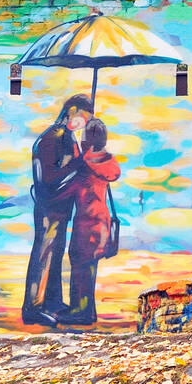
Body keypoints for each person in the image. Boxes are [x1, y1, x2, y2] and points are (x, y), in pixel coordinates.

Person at [22, 94, 93, 327]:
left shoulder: (68, 138)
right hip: (49, 208)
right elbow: (48, 179)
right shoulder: (50, 139)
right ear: (70, 113)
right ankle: (33, 308)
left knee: (55, 254)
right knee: (44, 255)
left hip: (61, 209)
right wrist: (77, 165)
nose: (83, 123)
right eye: (82, 118)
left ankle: (52, 302)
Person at [60, 117, 121, 325]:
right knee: (88, 268)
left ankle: (81, 312)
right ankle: (86, 311)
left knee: (79, 265)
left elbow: (71, 186)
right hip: (101, 221)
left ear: (89, 140)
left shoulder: (85, 164)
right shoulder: (106, 162)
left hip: (87, 222)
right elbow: (113, 172)